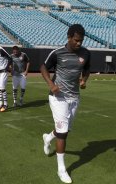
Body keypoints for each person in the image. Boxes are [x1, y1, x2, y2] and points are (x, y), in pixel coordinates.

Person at [40, 24, 90, 184]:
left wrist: (84, 80)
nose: (79, 43)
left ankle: (48, 138)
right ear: (68, 37)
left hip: (74, 97)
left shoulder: (86, 53)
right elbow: (43, 67)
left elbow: (87, 69)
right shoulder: (57, 53)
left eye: (81, 40)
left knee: (64, 130)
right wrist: (51, 85)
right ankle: (61, 169)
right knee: (63, 133)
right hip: (58, 97)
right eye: (76, 40)